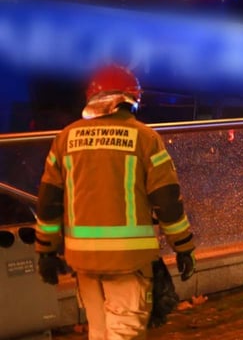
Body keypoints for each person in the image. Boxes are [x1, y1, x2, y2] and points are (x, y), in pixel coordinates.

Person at [35, 65, 197, 339]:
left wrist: (46, 251)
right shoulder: (145, 139)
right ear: (132, 100)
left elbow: (49, 202)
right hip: (128, 261)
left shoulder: (65, 139)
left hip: (82, 259)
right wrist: (184, 247)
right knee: (124, 333)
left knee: (98, 332)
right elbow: (167, 202)